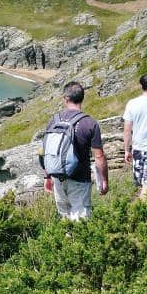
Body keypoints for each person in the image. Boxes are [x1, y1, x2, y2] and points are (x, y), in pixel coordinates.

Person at [41, 81, 108, 220]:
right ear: (82, 98)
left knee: (65, 219)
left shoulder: (53, 121)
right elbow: (99, 156)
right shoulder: (90, 123)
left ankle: (66, 240)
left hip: (57, 177)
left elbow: (46, 151)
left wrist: (47, 177)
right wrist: (104, 180)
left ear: (65, 98)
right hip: (80, 180)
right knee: (80, 222)